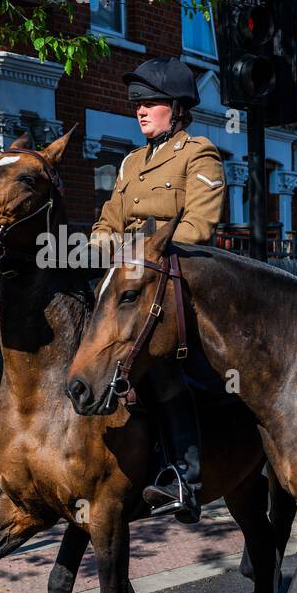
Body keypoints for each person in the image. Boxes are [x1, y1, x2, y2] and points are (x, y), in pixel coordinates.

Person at [90, 57, 226, 523]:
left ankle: (183, 477)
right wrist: (112, 247)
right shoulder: (130, 162)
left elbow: (199, 226)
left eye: (150, 103)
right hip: (131, 277)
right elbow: (104, 225)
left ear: (176, 107)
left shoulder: (199, 153)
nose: (140, 112)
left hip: (174, 281)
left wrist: (141, 248)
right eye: (137, 105)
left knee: (162, 366)